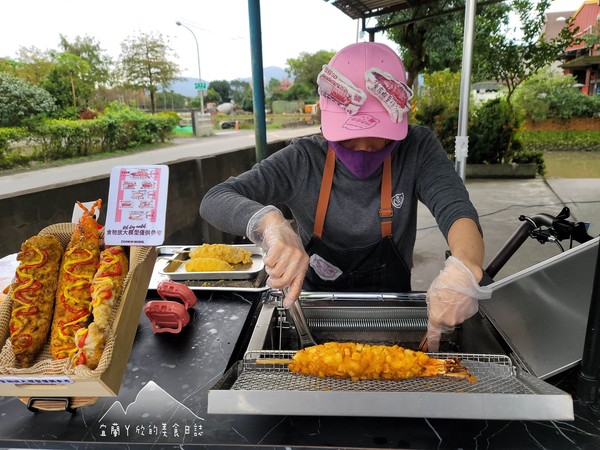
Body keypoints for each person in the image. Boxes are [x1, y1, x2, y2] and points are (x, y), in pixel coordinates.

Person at [200, 42, 491, 351]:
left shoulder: (417, 149)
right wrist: (270, 223)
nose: (364, 148)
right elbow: (215, 198)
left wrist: (464, 268)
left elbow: (457, 210)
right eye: (350, 138)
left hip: (393, 315)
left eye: (379, 139)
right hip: (312, 312)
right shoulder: (303, 160)